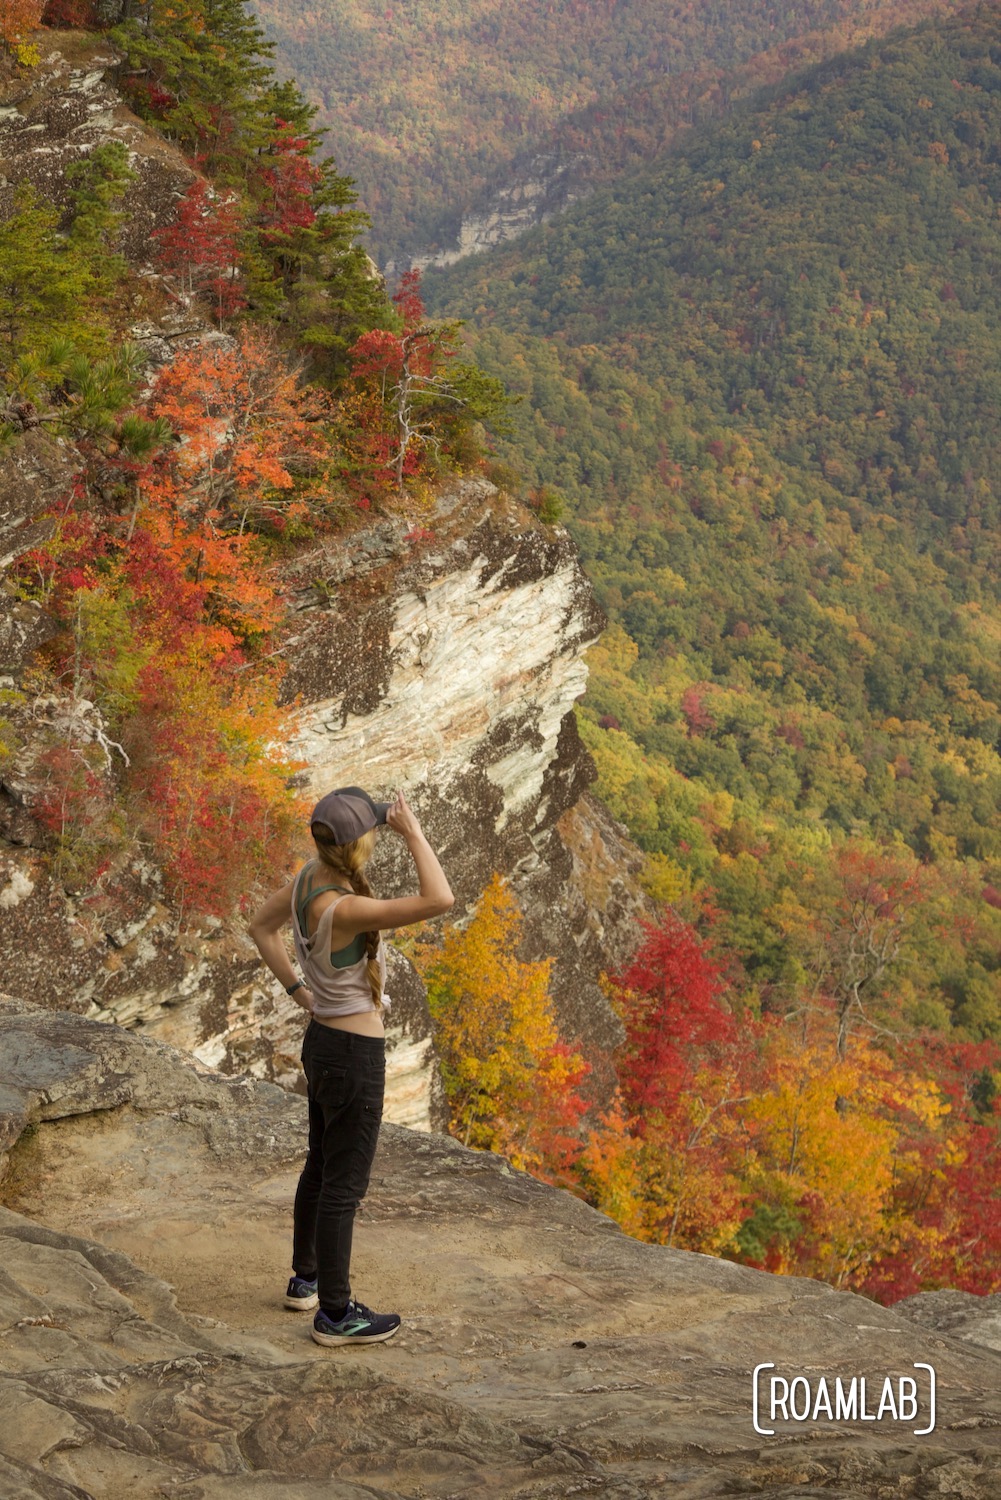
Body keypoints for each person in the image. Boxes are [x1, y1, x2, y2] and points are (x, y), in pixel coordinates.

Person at [249, 785, 453, 1347]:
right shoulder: (349, 908)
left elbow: (259, 928)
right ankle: (336, 1315)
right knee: (344, 1185)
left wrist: (297, 991)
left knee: (320, 1165)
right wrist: (411, 832)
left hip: (322, 1042)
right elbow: (440, 899)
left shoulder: (308, 880)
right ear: (361, 845)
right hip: (353, 1057)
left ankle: (305, 1280)